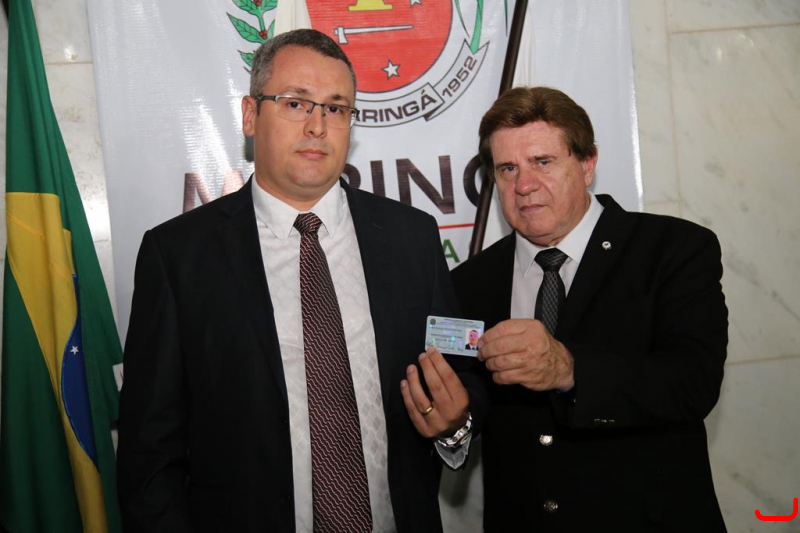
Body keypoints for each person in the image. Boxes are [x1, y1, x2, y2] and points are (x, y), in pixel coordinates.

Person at [116, 29, 483, 533]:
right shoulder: (178, 255)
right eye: (295, 103)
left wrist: (456, 425)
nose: (317, 126)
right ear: (250, 115)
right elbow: (149, 450)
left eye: (335, 108)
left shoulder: (412, 238)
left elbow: (460, 372)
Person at [452, 86, 728, 532]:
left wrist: (569, 370)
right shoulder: (469, 282)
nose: (524, 185)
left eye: (543, 162)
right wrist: (452, 421)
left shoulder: (672, 250)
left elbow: (693, 383)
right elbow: (471, 401)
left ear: (587, 164)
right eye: (508, 168)